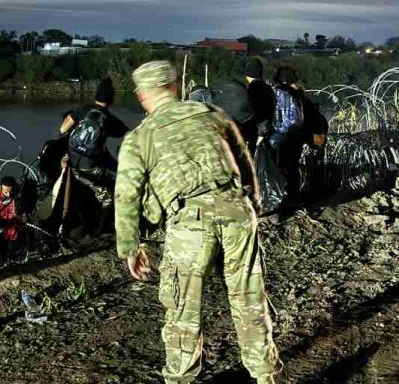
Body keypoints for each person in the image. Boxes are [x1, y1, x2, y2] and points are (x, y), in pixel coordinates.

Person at [115, 60, 279, 384]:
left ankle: (181, 378)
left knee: (182, 310)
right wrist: (253, 204)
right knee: (249, 301)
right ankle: (264, 376)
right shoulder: (212, 114)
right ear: (175, 86)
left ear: (142, 95)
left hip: (190, 222)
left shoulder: (140, 137)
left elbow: (126, 197)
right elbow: (245, 163)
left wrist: (130, 248)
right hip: (236, 211)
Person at [60, 77, 129, 237]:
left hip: (71, 161)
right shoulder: (110, 119)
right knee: (111, 192)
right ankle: (101, 230)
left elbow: (63, 129)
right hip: (90, 167)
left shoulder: (83, 110)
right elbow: (128, 134)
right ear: (111, 99)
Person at [269, 66, 304, 208]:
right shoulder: (298, 93)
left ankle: (282, 198)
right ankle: (293, 197)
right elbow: (297, 119)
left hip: (282, 137)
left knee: (282, 168)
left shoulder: (279, 93)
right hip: (295, 137)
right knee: (292, 168)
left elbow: (289, 118)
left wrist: (277, 135)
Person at [0, 176, 27, 261]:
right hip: (0, 233)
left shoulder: (18, 198)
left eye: (11, 192)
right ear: (0, 188)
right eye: (5, 192)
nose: (8, 195)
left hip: (14, 233)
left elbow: (23, 214)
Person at [244, 57, 276, 156]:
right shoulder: (268, 89)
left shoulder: (249, 90)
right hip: (268, 130)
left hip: (254, 132)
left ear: (247, 75)